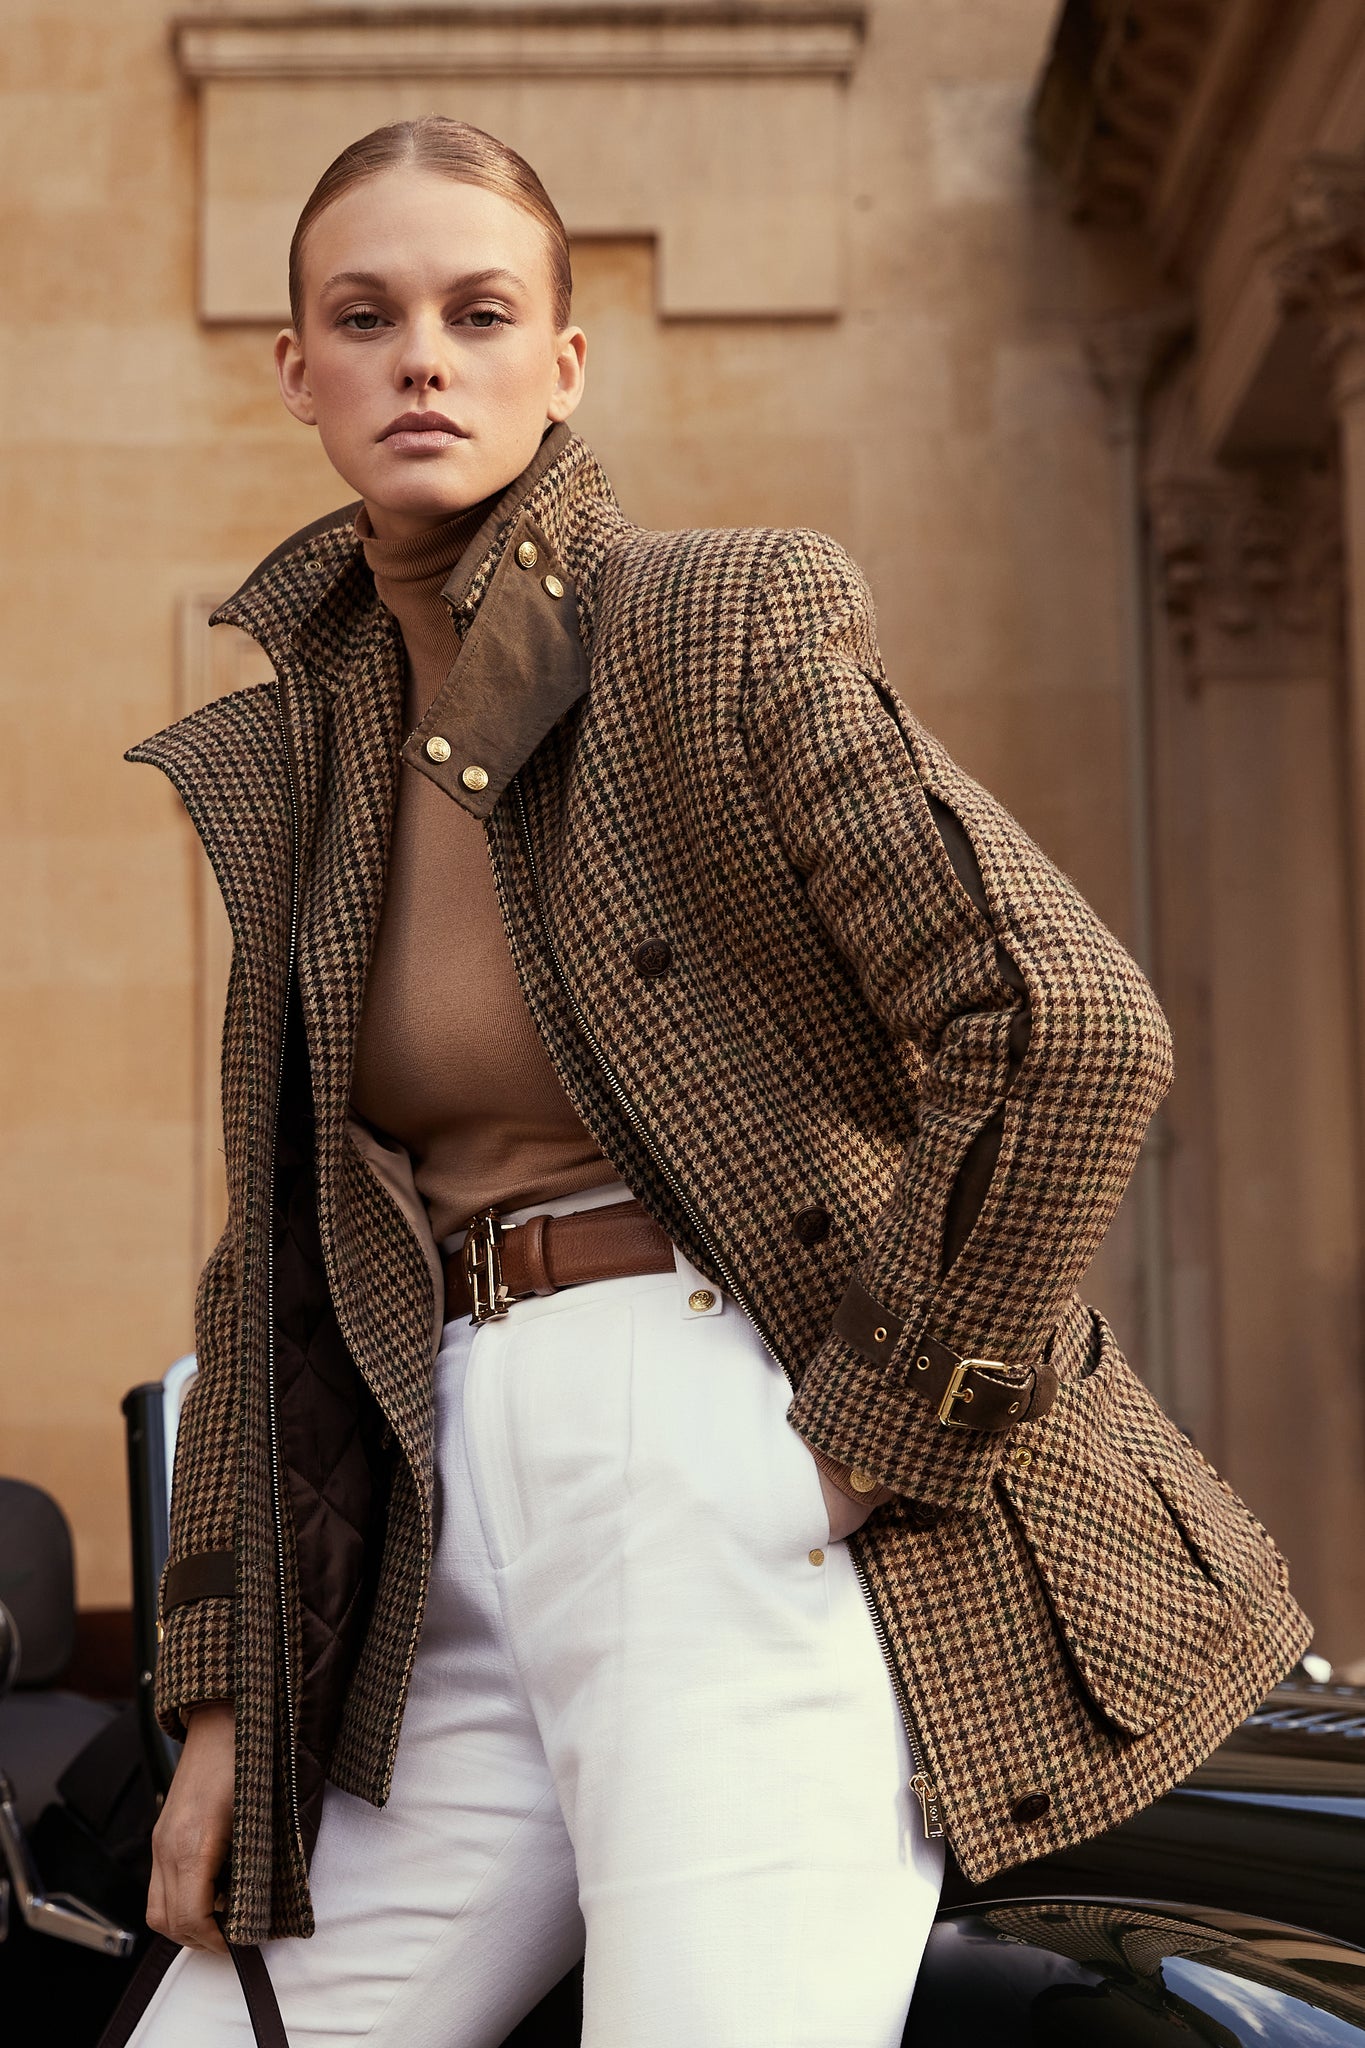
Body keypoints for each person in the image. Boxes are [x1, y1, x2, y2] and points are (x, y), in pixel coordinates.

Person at [117, 118, 1309, 2048]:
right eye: (368, 314)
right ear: (299, 372)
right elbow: (279, 1268)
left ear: (559, 364)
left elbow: (1069, 1026)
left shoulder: (710, 626)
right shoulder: (306, 757)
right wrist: (230, 1697)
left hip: (712, 1455)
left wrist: (861, 1439)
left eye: (479, 310)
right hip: (436, 1516)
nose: (424, 354)